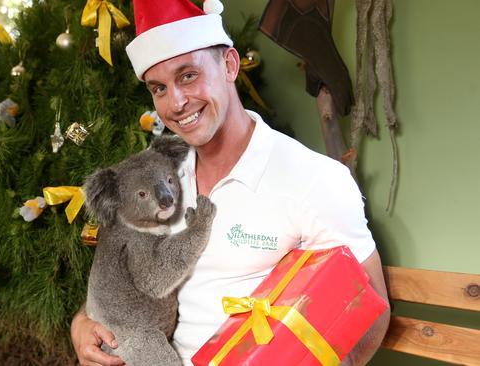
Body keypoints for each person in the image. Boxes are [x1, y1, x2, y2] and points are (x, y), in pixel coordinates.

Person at [71, 0, 390, 365]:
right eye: (159, 88)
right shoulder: (161, 178)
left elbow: (370, 314)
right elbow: (127, 273)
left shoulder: (313, 179)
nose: (175, 103)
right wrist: (81, 322)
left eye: (188, 75)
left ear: (229, 65)